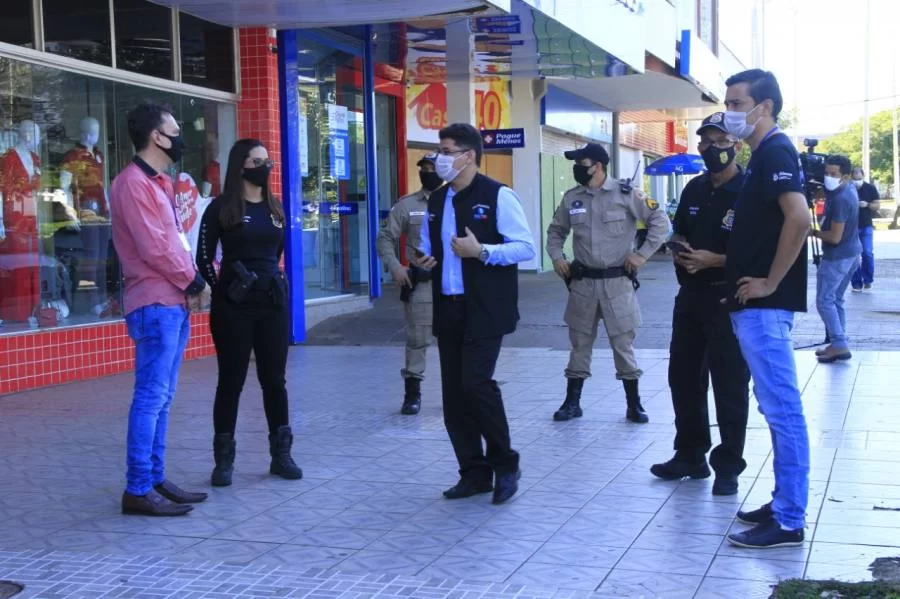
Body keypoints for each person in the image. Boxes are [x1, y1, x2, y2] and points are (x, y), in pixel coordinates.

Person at [415, 123, 535, 505]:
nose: (439, 158)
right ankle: (473, 472)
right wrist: (423, 260)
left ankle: (506, 464)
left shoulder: (498, 195)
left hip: (485, 307)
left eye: (447, 150)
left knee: (476, 384)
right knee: (454, 394)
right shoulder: (437, 200)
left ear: (468, 155)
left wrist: (482, 251)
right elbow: (425, 247)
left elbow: (525, 248)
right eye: (439, 150)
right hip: (448, 304)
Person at [721, 70, 811, 549]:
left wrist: (771, 282)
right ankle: (782, 503)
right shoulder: (761, 155)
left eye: (738, 103)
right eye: (728, 102)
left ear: (766, 106)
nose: (730, 111)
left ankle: (790, 519)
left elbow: (799, 217)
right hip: (754, 308)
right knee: (774, 405)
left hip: (766, 306)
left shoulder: (775, 150)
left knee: (782, 411)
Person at [110, 102, 208, 516]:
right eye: (174, 129)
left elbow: (176, 241)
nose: (180, 135)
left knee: (163, 397)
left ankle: (154, 478)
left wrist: (189, 281)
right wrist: (194, 280)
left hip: (171, 301)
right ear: (156, 136)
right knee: (151, 397)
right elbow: (155, 248)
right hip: (154, 302)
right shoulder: (132, 183)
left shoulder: (160, 182)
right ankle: (137, 487)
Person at [650, 112, 750, 496]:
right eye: (705, 142)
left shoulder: (751, 192)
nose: (710, 148)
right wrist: (677, 247)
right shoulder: (694, 189)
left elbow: (761, 252)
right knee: (684, 378)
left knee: (729, 383)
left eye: (719, 141)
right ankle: (690, 454)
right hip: (690, 296)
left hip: (729, 297)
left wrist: (716, 260)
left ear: (735, 145)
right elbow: (680, 230)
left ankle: (728, 465)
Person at [197, 139, 303, 487]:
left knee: (275, 381)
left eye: (268, 161)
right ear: (241, 165)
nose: (266, 166)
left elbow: (277, 254)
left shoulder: (276, 209)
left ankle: (281, 454)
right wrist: (224, 286)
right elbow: (202, 258)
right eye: (258, 160)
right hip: (234, 309)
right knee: (231, 382)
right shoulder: (220, 208)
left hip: (272, 305)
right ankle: (224, 460)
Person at [545, 143, 669, 424]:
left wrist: (641, 255)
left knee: (623, 344)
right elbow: (556, 231)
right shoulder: (572, 198)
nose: (577, 167)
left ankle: (633, 404)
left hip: (617, 284)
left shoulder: (625, 194)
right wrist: (556, 257)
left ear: (598, 166)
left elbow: (659, 221)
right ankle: (572, 402)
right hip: (583, 283)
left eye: (581, 162)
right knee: (579, 343)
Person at [375, 153, 442, 415]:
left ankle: (457, 394)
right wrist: (395, 266)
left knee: (458, 341)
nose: (427, 172)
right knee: (417, 339)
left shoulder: (458, 201)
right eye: (423, 169)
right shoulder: (407, 204)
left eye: (432, 168)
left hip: (455, 285)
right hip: (422, 284)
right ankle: (412, 394)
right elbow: (385, 238)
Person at [811, 155, 862, 363]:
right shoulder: (846, 190)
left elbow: (834, 236)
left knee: (824, 301)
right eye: (826, 173)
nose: (828, 178)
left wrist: (813, 232)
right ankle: (838, 342)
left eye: (834, 174)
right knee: (836, 299)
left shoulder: (841, 199)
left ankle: (839, 343)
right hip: (852, 253)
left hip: (838, 257)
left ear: (845, 177)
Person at [849, 167, 879, 291]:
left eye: (859, 175)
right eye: (855, 175)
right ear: (851, 177)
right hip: (851, 227)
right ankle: (856, 283)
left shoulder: (870, 188)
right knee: (853, 255)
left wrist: (867, 204)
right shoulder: (848, 188)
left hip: (866, 225)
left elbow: (877, 205)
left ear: (863, 175)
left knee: (867, 253)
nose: (857, 177)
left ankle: (868, 279)